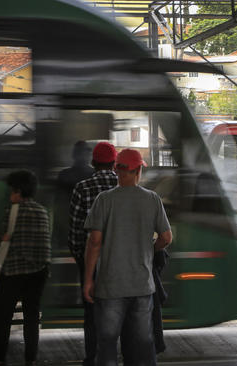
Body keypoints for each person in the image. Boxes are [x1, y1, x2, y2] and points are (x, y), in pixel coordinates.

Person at [83, 149, 172, 366]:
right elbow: (166, 237)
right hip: (142, 286)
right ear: (138, 171)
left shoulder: (103, 200)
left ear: (117, 171)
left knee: (107, 342)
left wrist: (88, 280)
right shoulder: (152, 199)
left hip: (110, 286)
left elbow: (94, 241)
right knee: (142, 343)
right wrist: (151, 250)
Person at [0, 170, 51, 366]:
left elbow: (3, 235)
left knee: (4, 316)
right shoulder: (42, 211)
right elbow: (44, 244)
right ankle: (30, 359)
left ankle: (0, 358)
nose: (9, 195)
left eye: (11, 191)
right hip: (37, 272)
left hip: (13, 272)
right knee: (31, 318)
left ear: (18, 191)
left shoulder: (12, 210)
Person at [68, 141, 118, 366]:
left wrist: (82, 259)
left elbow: (76, 230)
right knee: (119, 311)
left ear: (93, 163)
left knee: (92, 314)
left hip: (92, 263)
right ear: (115, 163)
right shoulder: (125, 184)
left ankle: (92, 357)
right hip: (121, 263)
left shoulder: (82, 187)